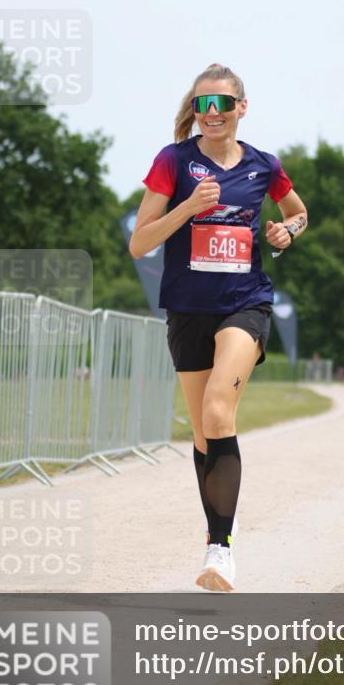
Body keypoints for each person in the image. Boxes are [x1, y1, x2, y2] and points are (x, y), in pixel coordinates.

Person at [129, 63, 307, 592]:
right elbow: (140, 243)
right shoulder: (173, 161)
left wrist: (287, 232)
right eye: (203, 104)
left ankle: (220, 550)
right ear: (195, 109)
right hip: (187, 309)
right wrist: (188, 206)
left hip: (244, 305)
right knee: (204, 433)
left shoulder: (263, 166)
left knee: (216, 410)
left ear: (241, 108)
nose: (212, 113)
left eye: (222, 104)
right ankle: (218, 531)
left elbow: (298, 213)